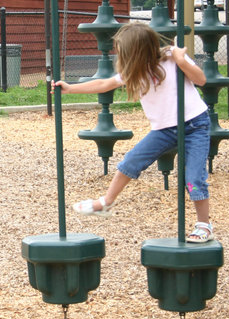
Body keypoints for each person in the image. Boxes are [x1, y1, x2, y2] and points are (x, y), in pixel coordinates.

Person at [53, 22, 213, 243]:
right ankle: (106, 202)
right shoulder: (135, 71)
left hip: (195, 125)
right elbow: (104, 84)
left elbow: (201, 80)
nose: (121, 57)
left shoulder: (172, 58)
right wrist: (71, 88)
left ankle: (204, 224)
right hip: (164, 130)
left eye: (124, 52)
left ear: (137, 52)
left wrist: (181, 60)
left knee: (193, 178)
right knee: (130, 162)